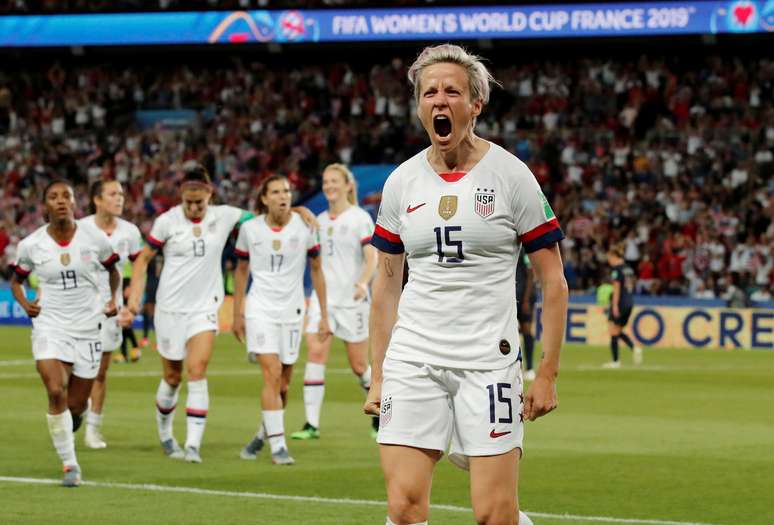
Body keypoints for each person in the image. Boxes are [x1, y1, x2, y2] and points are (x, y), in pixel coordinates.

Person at [364, 44, 568, 525]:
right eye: (429, 92)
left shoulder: (512, 176)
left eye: (452, 91)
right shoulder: (401, 182)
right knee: (404, 506)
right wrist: (379, 373)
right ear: (418, 106)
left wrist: (548, 374)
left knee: (495, 515)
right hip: (414, 358)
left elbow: (553, 282)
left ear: (475, 104)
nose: (439, 100)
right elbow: (386, 287)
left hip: (487, 362)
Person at [125, 163, 315, 464]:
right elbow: (144, 258)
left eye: (199, 201)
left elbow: (268, 216)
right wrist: (134, 298)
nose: (194, 207)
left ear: (209, 194)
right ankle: (165, 433)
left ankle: (192, 446)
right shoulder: (166, 222)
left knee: (197, 370)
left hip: (204, 309)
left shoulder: (226, 215)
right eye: (188, 202)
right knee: (172, 377)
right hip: (170, 309)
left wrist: (299, 210)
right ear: (180, 196)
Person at [10, 179, 120, 487]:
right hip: (50, 324)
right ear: (45, 205)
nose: (60, 201)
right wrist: (24, 303)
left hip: (87, 327)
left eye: (66, 196)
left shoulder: (94, 238)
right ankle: (70, 464)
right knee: (55, 389)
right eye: (53, 197)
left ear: (74, 203)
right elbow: (16, 280)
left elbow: (113, 270)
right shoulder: (32, 244)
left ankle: (72, 421)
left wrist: (113, 299)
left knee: (74, 406)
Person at [232, 175, 330, 465]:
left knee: (284, 386)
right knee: (272, 373)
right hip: (260, 309)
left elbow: (316, 269)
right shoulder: (249, 229)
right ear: (264, 198)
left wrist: (324, 314)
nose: (282, 195)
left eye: (286, 191)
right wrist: (237, 312)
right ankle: (279, 447)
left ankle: (263, 434)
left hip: (292, 310)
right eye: (275, 192)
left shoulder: (305, 226)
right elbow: (240, 271)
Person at [291, 164, 379, 441]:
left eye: (333, 181)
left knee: (358, 365)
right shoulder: (319, 220)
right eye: (325, 181)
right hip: (322, 301)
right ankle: (311, 424)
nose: (328, 186)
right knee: (316, 355)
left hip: (353, 300)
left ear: (347, 185)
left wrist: (363, 282)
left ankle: (379, 412)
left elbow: (372, 256)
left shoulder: (359, 218)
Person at [83, 180, 142, 449]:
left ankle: (93, 430)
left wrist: (131, 305)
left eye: (121, 194)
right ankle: (76, 406)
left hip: (110, 310)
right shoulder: (80, 229)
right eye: (113, 194)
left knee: (101, 372)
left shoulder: (130, 232)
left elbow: (140, 267)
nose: (120, 198)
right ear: (97, 199)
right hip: (78, 308)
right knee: (73, 368)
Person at [603, 243, 643, 369]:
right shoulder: (629, 269)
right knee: (617, 330)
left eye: (609, 258)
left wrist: (614, 305)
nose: (609, 262)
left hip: (620, 302)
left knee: (612, 330)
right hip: (630, 302)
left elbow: (617, 288)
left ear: (614, 256)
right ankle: (634, 348)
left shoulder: (617, 270)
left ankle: (615, 361)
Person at [516, 250, 537, 382]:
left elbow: (530, 274)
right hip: (510, 296)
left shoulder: (524, 251)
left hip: (524, 297)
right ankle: (515, 368)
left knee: (527, 330)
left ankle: (529, 368)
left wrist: (525, 299)